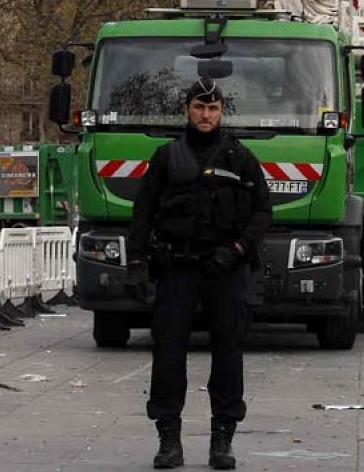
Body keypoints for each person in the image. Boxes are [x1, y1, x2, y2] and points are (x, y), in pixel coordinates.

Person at [129, 78, 272, 470]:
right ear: (187, 110)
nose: (205, 115)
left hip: (225, 270)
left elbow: (262, 212)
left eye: (212, 108)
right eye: (198, 107)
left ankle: (222, 439)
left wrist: (238, 249)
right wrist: (137, 262)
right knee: (168, 354)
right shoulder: (166, 157)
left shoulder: (240, 158)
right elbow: (142, 213)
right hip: (176, 268)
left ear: (221, 111)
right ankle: (168, 439)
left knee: (228, 352)